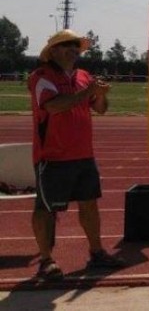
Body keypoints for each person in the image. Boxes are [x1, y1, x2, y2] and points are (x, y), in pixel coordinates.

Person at [28, 29, 125, 281]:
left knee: (90, 203)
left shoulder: (83, 76)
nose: (74, 49)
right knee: (46, 209)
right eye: (68, 44)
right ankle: (46, 260)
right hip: (53, 156)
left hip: (83, 153)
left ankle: (96, 252)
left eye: (76, 45)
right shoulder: (41, 77)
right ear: (54, 51)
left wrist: (101, 96)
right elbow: (54, 106)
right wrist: (87, 92)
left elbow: (100, 109)